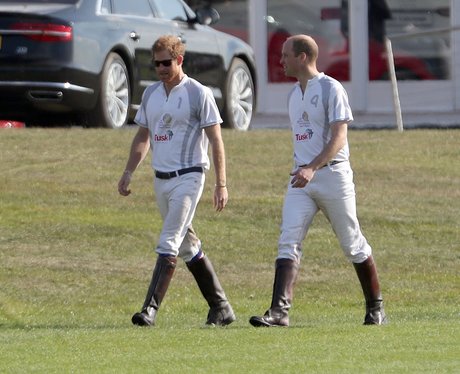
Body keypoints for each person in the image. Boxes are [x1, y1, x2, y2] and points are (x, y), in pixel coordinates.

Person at [249, 35, 387, 327]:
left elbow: (339, 137)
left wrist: (312, 167)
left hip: (333, 176)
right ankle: (278, 312)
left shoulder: (330, 88)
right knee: (288, 240)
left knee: (352, 244)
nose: (281, 60)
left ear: (302, 57)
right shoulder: (292, 95)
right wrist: (303, 169)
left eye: (286, 55)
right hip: (301, 180)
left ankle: (376, 308)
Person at [118, 35, 235, 327]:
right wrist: (129, 170)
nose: (161, 68)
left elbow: (216, 140)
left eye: (166, 63)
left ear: (179, 60)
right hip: (161, 179)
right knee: (187, 246)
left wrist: (221, 184)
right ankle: (221, 308)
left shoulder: (199, 93)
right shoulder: (151, 95)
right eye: (156, 63)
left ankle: (149, 310)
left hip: (190, 176)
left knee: (168, 240)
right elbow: (143, 136)